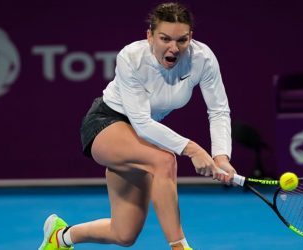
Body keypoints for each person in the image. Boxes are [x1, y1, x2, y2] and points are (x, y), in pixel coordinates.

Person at [38, 2, 237, 250]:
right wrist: (192, 149)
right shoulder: (131, 57)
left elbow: (218, 110)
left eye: (182, 40)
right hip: (106, 123)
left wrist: (221, 156)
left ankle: (61, 237)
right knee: (164, 160)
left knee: (124, 234)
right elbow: (142, 122)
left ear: (190, 38)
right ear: (150, 36)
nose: (173, 48)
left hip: (138, 138)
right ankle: (179, 246)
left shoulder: (203, 58)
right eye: (165, 38)